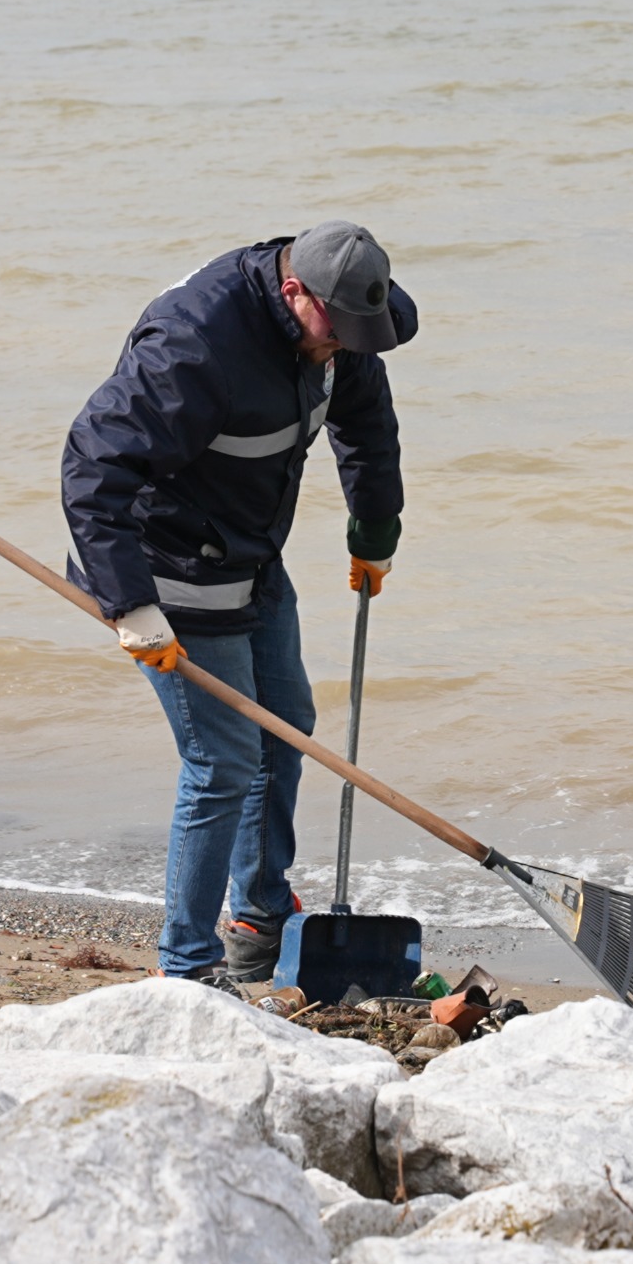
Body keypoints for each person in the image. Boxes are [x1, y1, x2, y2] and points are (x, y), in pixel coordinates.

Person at [63, 222, 414, 985]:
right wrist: (130, 606)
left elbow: (366, 427)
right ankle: (187, 970)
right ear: (294, 293)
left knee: (286, 725)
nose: (345, 348)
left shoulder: (340, 330)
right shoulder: (192, 346)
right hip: (165, 570)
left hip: (251, 554)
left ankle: (259, 914)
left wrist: (375, 526)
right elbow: (94, 467)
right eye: (338, 332)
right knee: (221, 761)